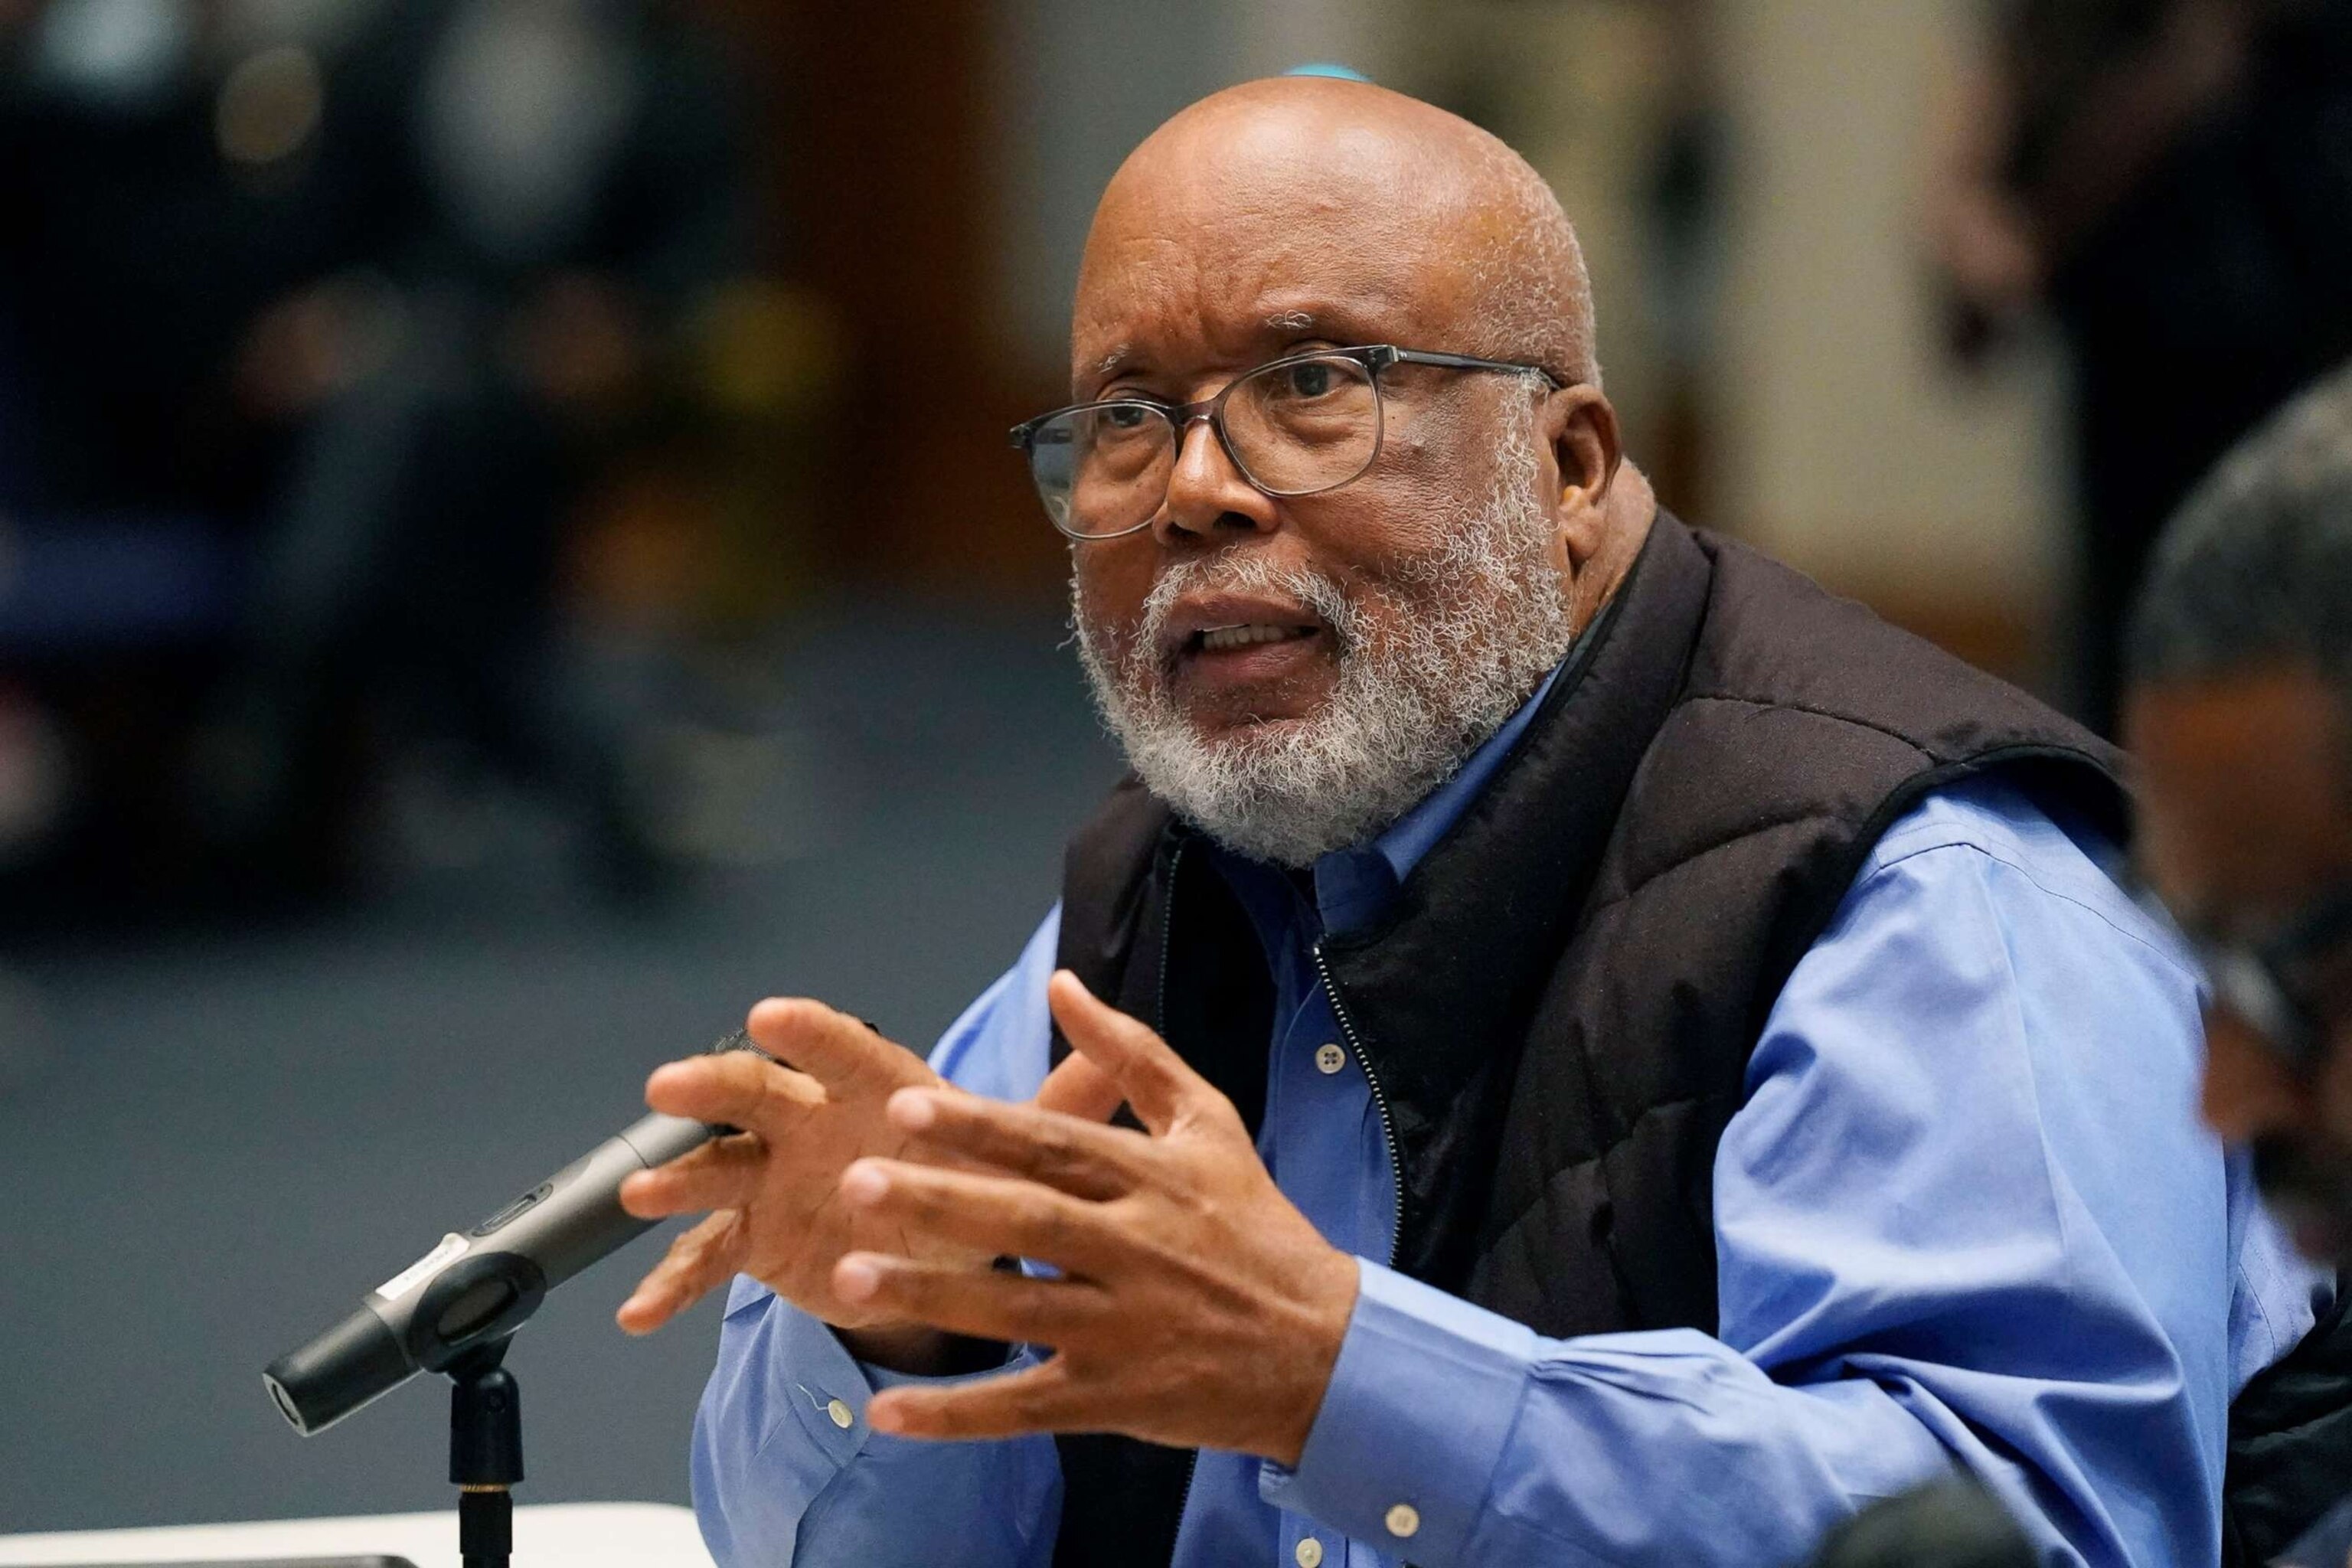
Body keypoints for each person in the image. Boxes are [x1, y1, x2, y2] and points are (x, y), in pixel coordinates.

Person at [616, 78, 2339, 1566]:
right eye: (1126, 418)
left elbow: (2018, 1531)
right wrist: (902, 1322)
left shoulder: (1916, 887)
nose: (1197, 488)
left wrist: (1338, 1374)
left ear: (1572, 467)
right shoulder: (1162, 880)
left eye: (1313, 385)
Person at [1927, 0, 2352, 735]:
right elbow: (1977, 227)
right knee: (2131, 688)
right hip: (2140, 402)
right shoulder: (2092, 30)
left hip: (2306, 398)